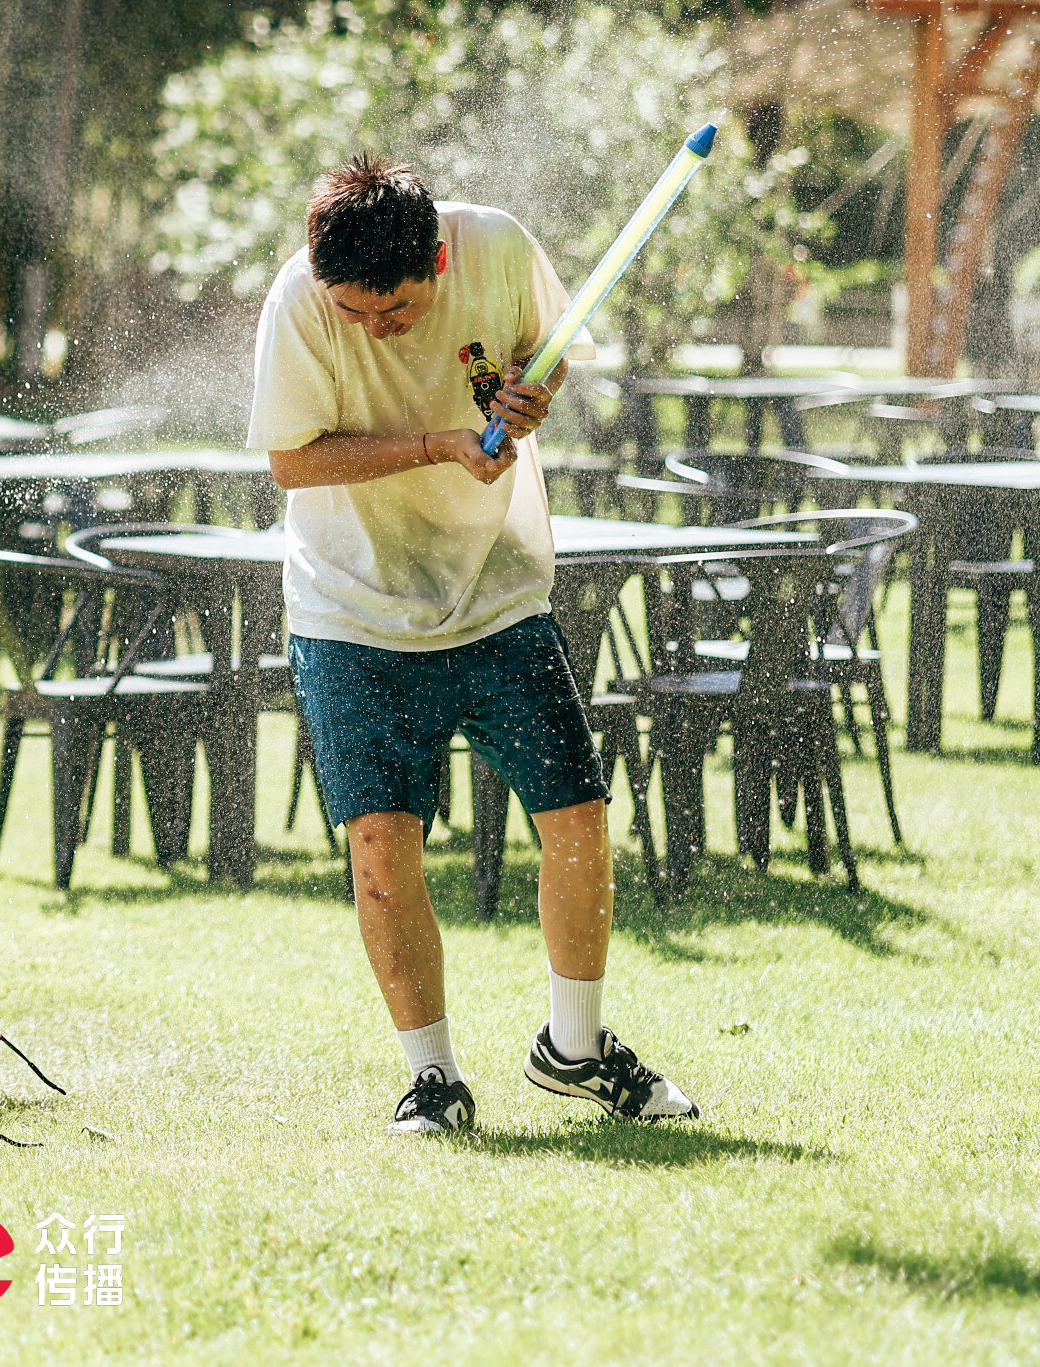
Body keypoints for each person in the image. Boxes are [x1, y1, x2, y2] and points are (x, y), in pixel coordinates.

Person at [247, 156, 701, 1136]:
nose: (377, 328)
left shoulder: (494, 245)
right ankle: (434, 1078)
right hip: (352, 604)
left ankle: (576, 1048)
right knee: (382, 843)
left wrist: (535, 393)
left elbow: (549, 350)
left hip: (498, 587)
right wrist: (439, 444)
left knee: (576, 813)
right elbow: (290, 460)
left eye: (397, 310)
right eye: (357, 312)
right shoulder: (302, 301)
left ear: (439, 260)